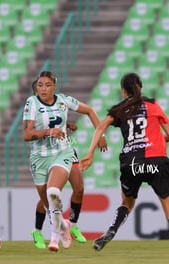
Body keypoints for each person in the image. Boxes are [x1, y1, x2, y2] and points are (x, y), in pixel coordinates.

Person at [80, 72, 169, 258]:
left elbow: (101, 127)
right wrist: (154, 140)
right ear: (140, 87)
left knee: (127, 203)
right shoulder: (153, 105)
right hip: (157, 161)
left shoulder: (119, 109)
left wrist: (90, 153)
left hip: (132, 163)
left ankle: (110, 232)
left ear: (123, 91)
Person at [23, 71, 107, 252]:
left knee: (73, 188)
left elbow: (90, 110)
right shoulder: (32, 103)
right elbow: (27, 134)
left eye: (47, 85)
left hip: (64, 151)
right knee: (47, 200)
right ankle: (44, 229)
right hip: (40, 157)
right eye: (40, 85)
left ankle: (68, 229)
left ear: (54, 86)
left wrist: (100, 134)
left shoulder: (62, 100)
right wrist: (50, 131)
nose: (43, 89)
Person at [29, 79, 88, 249]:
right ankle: (38, 231)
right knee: (50, 194)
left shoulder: (55, 105)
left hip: (65, 150)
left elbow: (57, 120)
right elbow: (32, 131)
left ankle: (72, 225)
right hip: (44, 155)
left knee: (79, 188)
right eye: (39, 89)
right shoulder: (33, 110)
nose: (43, 92)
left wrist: (68, 125)